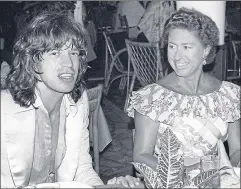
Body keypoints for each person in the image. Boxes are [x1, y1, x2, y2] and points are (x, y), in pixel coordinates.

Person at [1, 12, 140, 188]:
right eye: (55, 53)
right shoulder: (5, 111)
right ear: (33, 61)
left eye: (74, 52)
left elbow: (81, 170)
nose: (68, 63)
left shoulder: (77, 101)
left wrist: (108, 186)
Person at [127, 7, 240, 186]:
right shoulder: (152, 98)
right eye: (172, 46)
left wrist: (229, 173)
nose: (177, 56)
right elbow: (141, 157)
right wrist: (189, 176)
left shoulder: (228, 94)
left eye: (186, 47)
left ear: (205, 50)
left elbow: (236, 150)